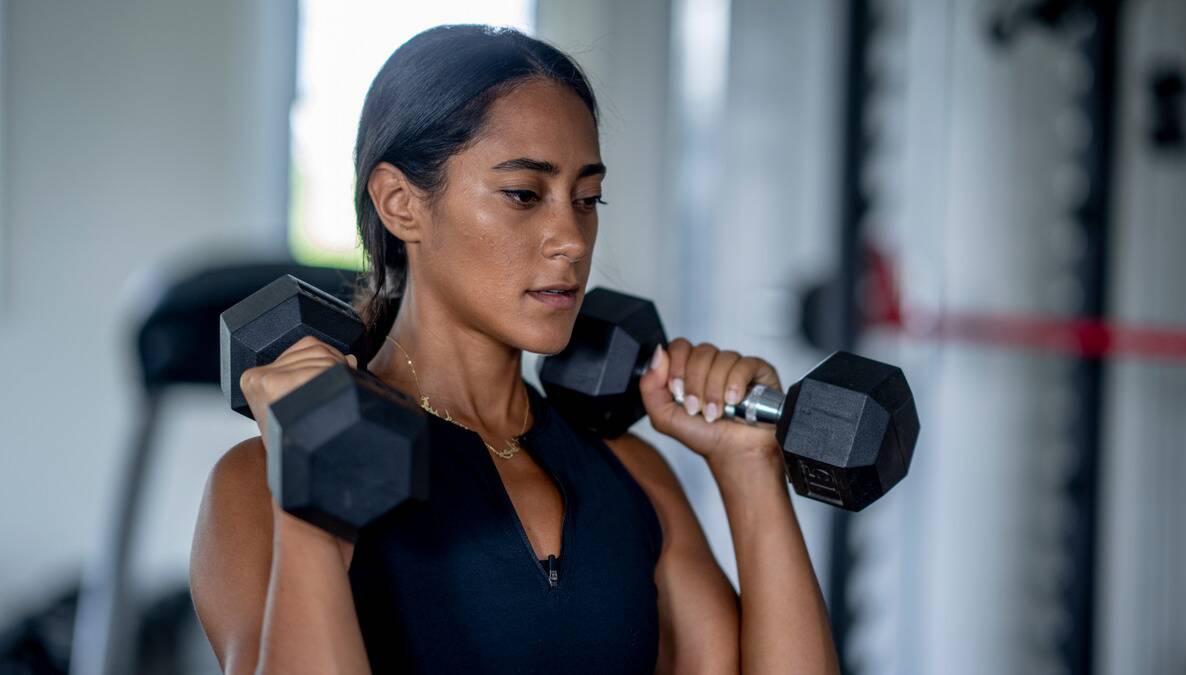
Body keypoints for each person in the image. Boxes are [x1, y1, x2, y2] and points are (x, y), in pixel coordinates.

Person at [189, 24, 837, 674]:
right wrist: (314, 486)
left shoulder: (633, 475)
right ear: (400, 203)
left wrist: (748, 468)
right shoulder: (256, 483)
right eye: (525, 195)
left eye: (587, 199)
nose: (573, 239)